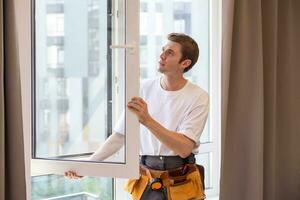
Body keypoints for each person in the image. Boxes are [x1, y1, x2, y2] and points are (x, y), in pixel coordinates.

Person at [65, 33, 209, 200]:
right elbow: (120, 136)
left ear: (185, 63)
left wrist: (147, 120)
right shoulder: (143, 89)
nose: (161, 56)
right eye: (163, 50)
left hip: (181, 181)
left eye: (170, 53)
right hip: (145, 179)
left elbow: (184, 149)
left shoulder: (198, 96)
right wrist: (87, 166)